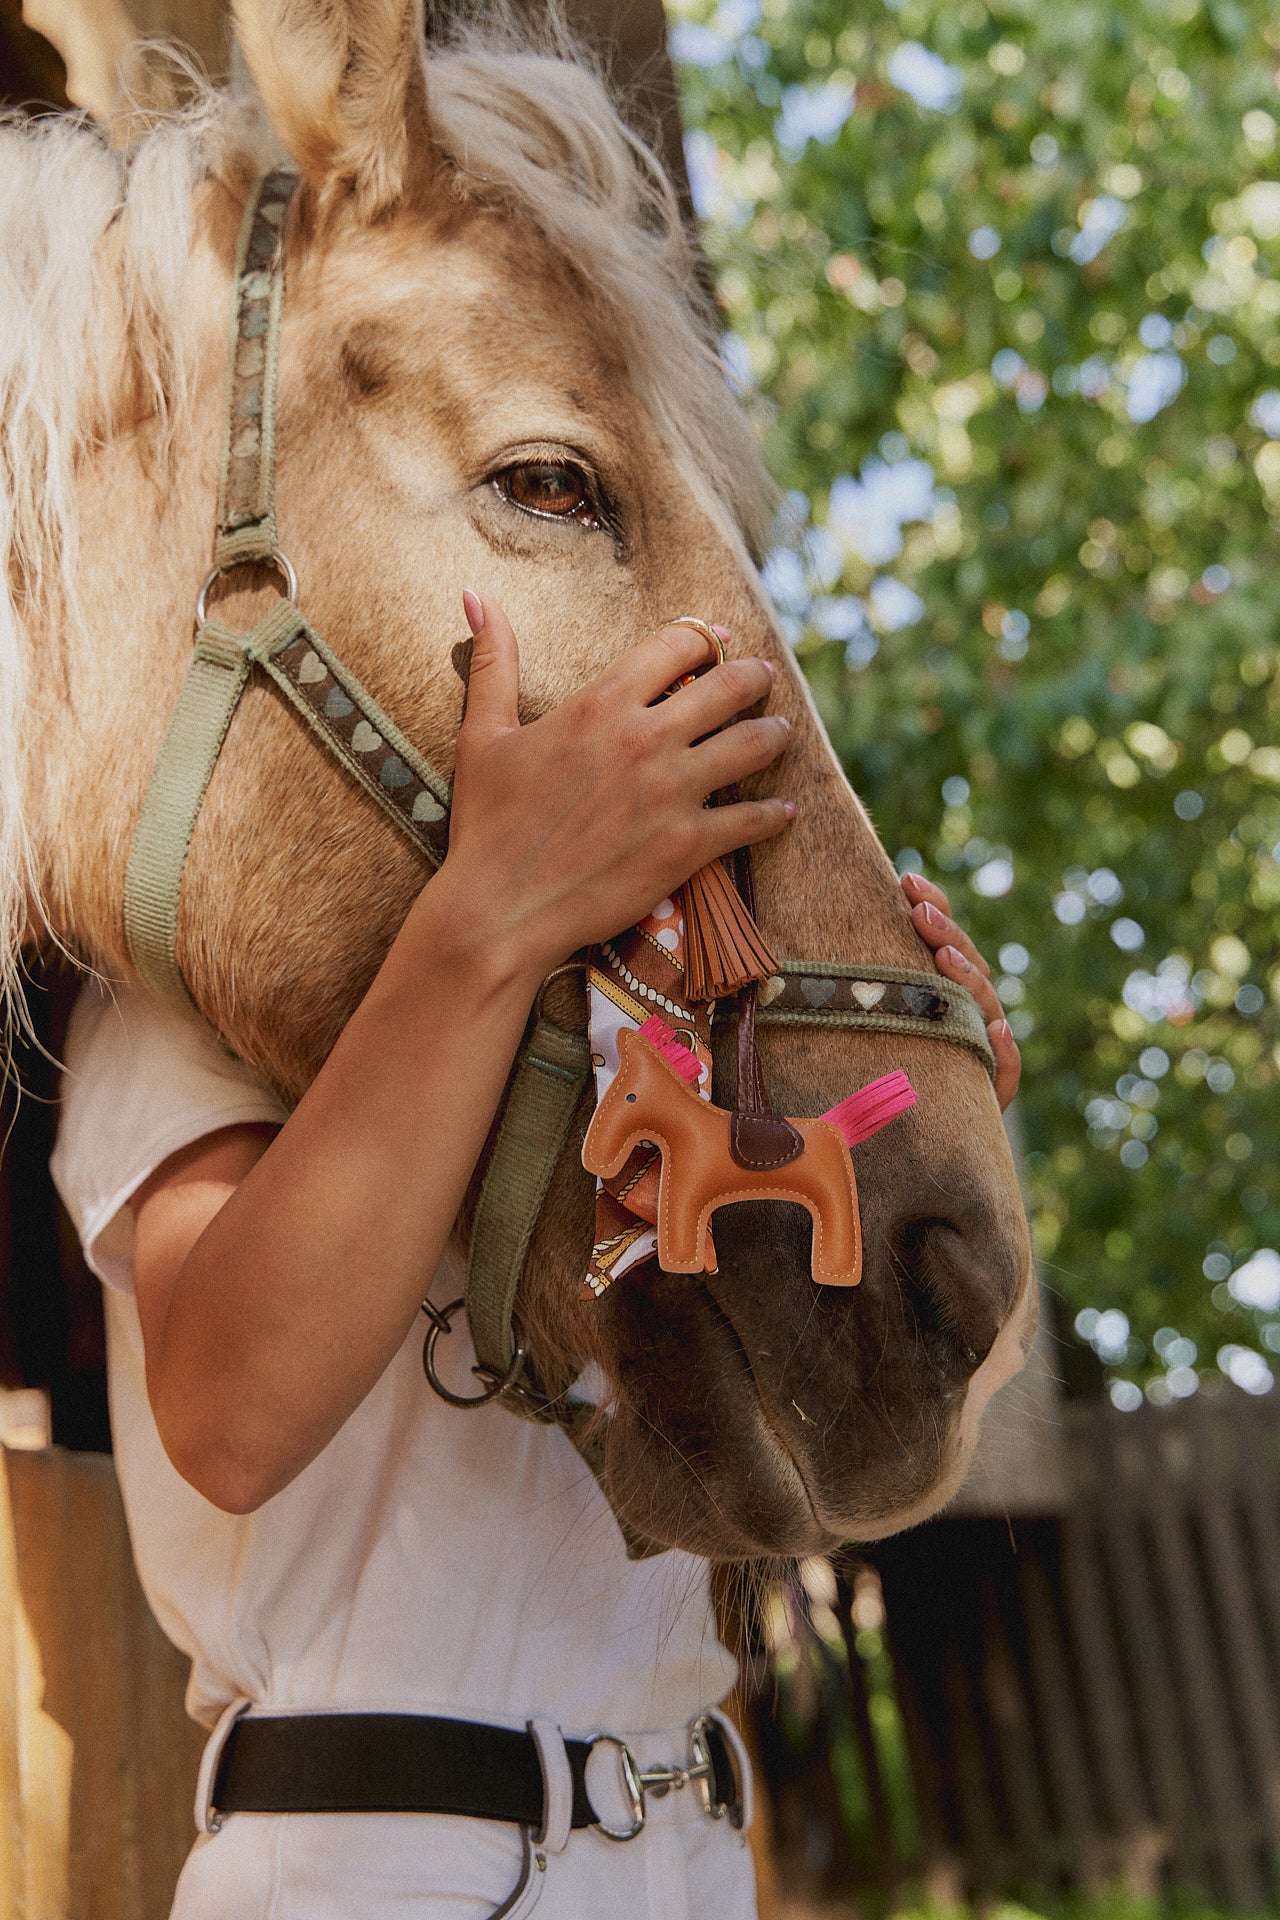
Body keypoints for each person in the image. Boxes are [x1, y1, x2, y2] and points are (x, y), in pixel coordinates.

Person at [51, 593, 1020, 1919]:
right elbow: (231, 1418)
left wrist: (934, 1166)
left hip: (694, 1847)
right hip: (380, 1856)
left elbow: (893, 1433)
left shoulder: (658, 1028)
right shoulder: (178, 1002)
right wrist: (491, 916)